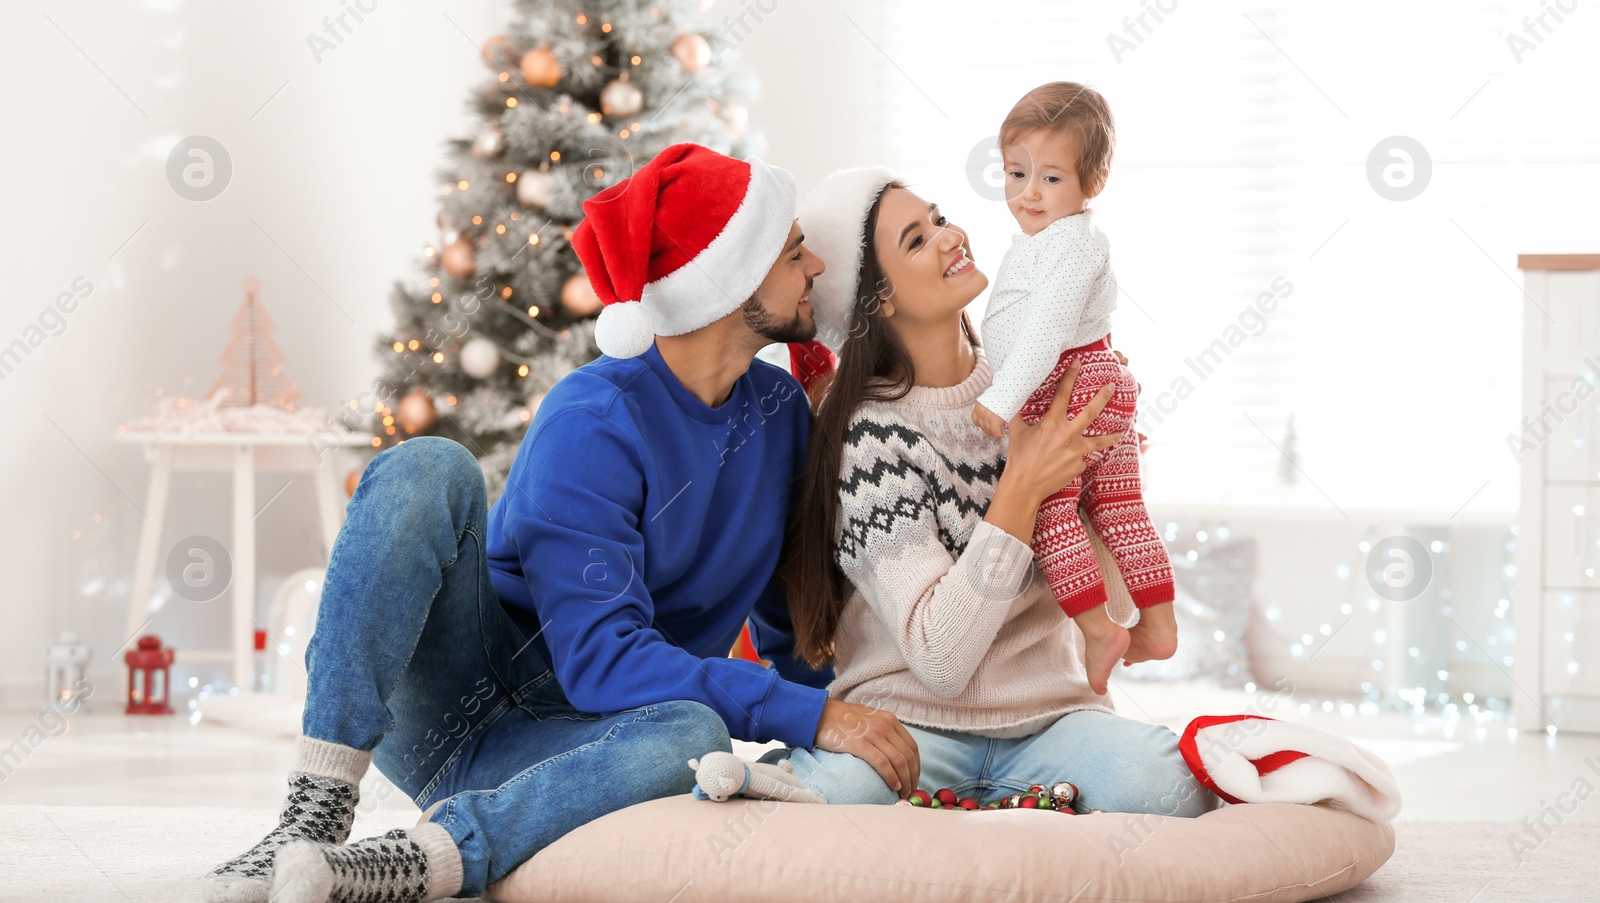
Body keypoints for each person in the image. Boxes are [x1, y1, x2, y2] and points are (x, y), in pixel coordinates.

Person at [201, 144, 920, 903]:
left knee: (690, 732)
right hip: (461, 694)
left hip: (590, 745)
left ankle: (425, 860)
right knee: (428, 466)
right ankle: (311, 817)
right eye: (791, 251)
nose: (813, 269)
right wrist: (815, 715)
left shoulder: (779, 418)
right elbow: (602, 660)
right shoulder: (594, 416)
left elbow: (792, 625)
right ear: (728, 279)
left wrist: (856, 728)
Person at [690, 168, 1214, 818]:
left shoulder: (1036, 391)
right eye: (916, 239)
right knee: (834, 804)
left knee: (1172, 791)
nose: (949, 236)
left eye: (938, 217)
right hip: (911, 726)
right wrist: (1022, 486)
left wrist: (1108, 469)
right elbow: (941, 657)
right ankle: (799, 776)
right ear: (876, 299)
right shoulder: (868, 438)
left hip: (1053, 720)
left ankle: (989, 801)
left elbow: (1102, 595)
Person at [969, 82, 1177, 694]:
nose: (1028, 192)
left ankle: (1098, 628)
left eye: (1052, 178)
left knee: (1051, 512)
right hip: (1095, 375)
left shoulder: (1070, 248)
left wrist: (1000, 399)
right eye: (1016, 172)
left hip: (1063, 384)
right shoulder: (1057, 241)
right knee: (1117, 506)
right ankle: (1158, 626)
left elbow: (1046, 331)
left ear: (1094, 182)